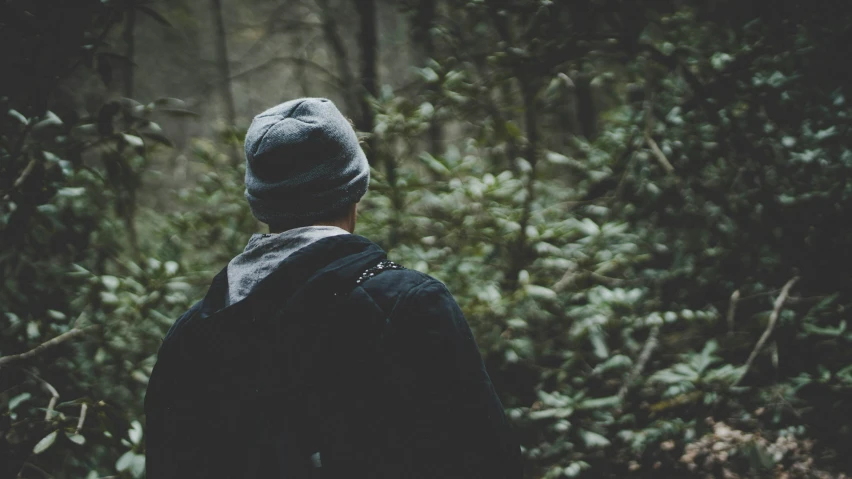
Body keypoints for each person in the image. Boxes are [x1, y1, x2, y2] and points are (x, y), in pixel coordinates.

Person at [144, 98, 523, 478]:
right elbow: (489, 461)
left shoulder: (187, 337)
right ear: (355, 189)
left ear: (259, 202)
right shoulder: (410, 305)